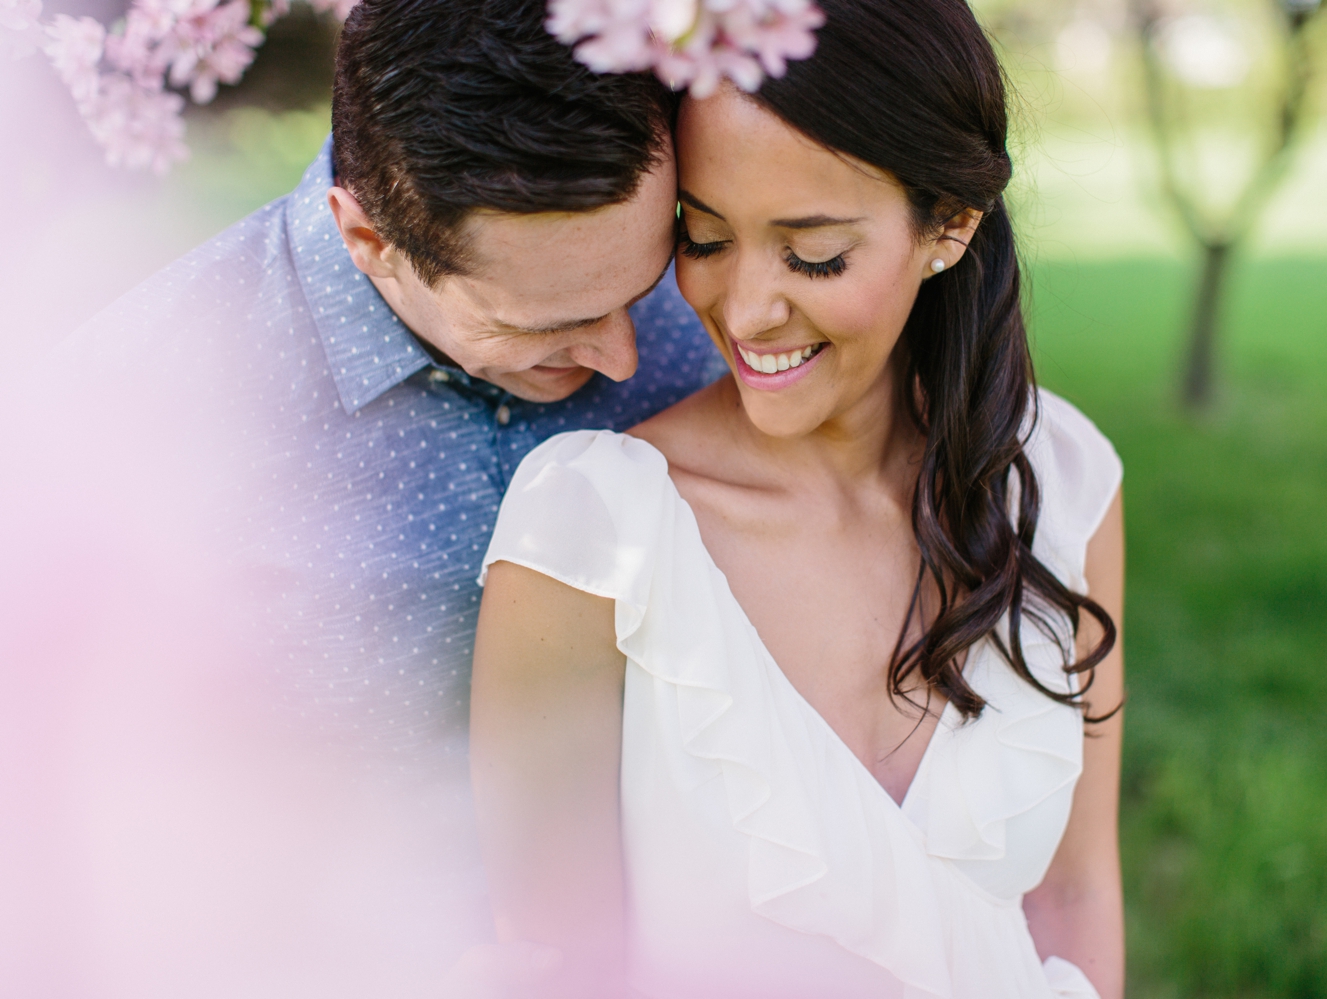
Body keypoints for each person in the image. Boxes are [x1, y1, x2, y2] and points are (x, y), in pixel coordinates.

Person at [8, 0, 721, 993]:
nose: (631, 356)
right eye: (550, 325)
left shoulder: (725, 294)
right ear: (369, 239)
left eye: (641, 290)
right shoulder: (138, 432)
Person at [470, 0, 1127, 997]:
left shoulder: (1063, 475)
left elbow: (1074, 894)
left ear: (950, 225)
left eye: (812, 251)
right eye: (705, 237)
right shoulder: (591, 531)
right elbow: (554, 958)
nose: (745, 308)